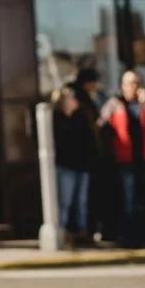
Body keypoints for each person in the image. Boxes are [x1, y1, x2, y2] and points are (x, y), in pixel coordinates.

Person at [101, 69, 145, 249]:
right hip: (125, 158)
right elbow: (103, 126)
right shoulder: (115, 104)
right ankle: (129, 237)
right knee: (127, 198)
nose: (132, 87)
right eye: (129, 83)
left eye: (136, 83)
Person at [49, 83, 98, 246]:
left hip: (82, 165)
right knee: (65, 202)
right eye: (70, 98)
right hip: (66, 166)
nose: (74, 101)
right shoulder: (57, 120)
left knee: (81, 202)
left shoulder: (81, 118)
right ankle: (62, 233)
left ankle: (81, 232)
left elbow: (90, 141)